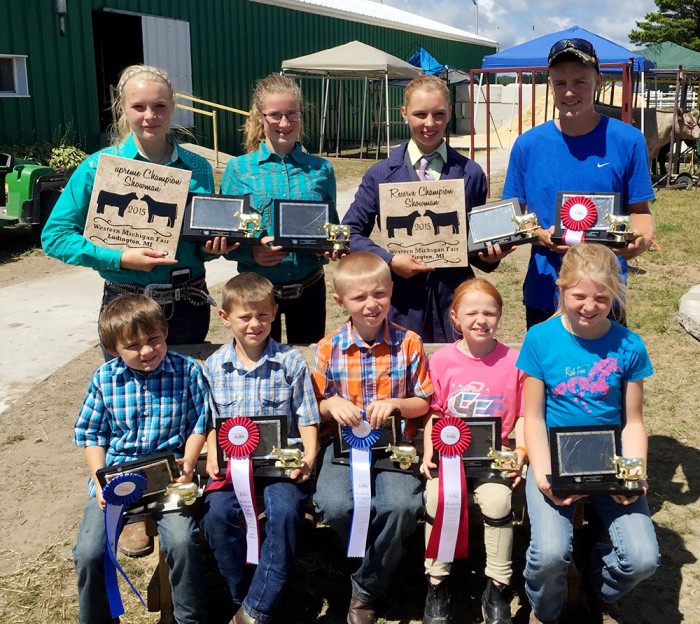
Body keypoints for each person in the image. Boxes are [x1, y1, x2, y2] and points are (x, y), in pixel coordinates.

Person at [516, 243, 659, 624]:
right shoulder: (540, 338)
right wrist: (545, 476)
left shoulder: (629, 345)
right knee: (548, 556)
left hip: (609, 460)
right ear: (561, 290)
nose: (589, 306)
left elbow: (632, 421)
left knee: (643, 559)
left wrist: (632, 472)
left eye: (601, 297)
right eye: (578, 295)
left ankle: (594, 590)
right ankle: (546, 611)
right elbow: (531, 417)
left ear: (615, 294)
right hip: (553, 455)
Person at [42, 64, 231, 348]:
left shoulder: (198, 167)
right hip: (127, 303)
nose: (150, 116)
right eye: (139, 106)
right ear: (123, 109)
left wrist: (209, 249)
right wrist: (118, 259)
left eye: (159, 106)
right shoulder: (98, 167)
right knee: (128, 393)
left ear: (172, 107)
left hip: (188, 303)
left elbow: (199, 239)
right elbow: (55, 237)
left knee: (182, 391)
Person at [71, 294, 210, 624]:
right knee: (90, 551)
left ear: (165, 333)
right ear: (113, 348)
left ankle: (187, 617)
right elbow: (91, 435)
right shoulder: (104, 380)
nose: (147, 351)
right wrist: (98, 479)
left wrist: (189, 463)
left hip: (170, 476)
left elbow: (199, 423)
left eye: (154, 340)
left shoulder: (187, 371)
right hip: (118, 479)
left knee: (182, 542)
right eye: (133, 346)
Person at [311, 251, 433, 624]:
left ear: (391, 291)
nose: (371, 304)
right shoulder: (327, 347)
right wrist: (331, 404)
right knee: (332, 504)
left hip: (396, 447)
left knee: (401, 507)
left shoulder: (408, 342)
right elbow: (314, 407)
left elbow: (424, 401)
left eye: (379, 294)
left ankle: (364, 590)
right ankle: (381, 559)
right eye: (360, 297)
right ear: (340, 301)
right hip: (342, 449)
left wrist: (397, 403)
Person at [502, 38, 656, 329]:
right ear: (550, 85)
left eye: (580, 82)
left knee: (606, 374)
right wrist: (537, 233)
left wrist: (642, 239)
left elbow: (641, 211)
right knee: (545, 375)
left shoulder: (628, 141)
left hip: (603, 294)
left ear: (598, 81)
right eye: (560, 83)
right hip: (545, 290)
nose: (570, 92)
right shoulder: (527, 145)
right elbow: (513, 217)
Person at [342, 74, 504, 343]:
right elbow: (349, 232)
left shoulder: (471, 173)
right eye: (420, 114)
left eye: (438, 114)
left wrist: (489, 255)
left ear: (449, 113)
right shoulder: (380, 174)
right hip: (402, 302)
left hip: (453, 299)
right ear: (404, 114)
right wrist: (390, 260)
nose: (429, 124)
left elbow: (471, 241)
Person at [200, 273, 320, 624]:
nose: (254, 324)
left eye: (263, 316)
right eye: (245, 317)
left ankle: (256, 610)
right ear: (225, 318)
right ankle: (245, 596)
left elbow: (307, 415)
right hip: (231, 470)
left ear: (274, 313)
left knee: (283, 512)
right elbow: (209, 421)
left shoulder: (291, 361)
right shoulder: (214, 367)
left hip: (283, 466)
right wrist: (211, 453)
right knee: (216, 515)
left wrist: (310, 458)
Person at [420, 278, 525, 624]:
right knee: (438, 497)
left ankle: (497, 588)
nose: (481, 320)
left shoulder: (514, 361)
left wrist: (521, 450)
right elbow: (434, 415)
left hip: (496, 458)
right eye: (472, 313)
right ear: (455, 318)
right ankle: (438, 584)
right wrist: (427, 454)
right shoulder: (443, 360)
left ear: (500, 316)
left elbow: (523, 414)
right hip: (451, 460)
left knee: (498, 501)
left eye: (490, 312)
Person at [221, 73, 337, 344]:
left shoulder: (321, 169)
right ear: (260, 117)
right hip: (256, 295)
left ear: (300, 115)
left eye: (292, 114)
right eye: (275, 115)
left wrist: (330, 246)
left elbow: (332, 227)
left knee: (307, 365)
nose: (284, 123)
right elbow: (227, 239)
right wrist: (253, 252)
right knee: (257, 371)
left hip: (308, 288)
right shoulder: (239, 170)